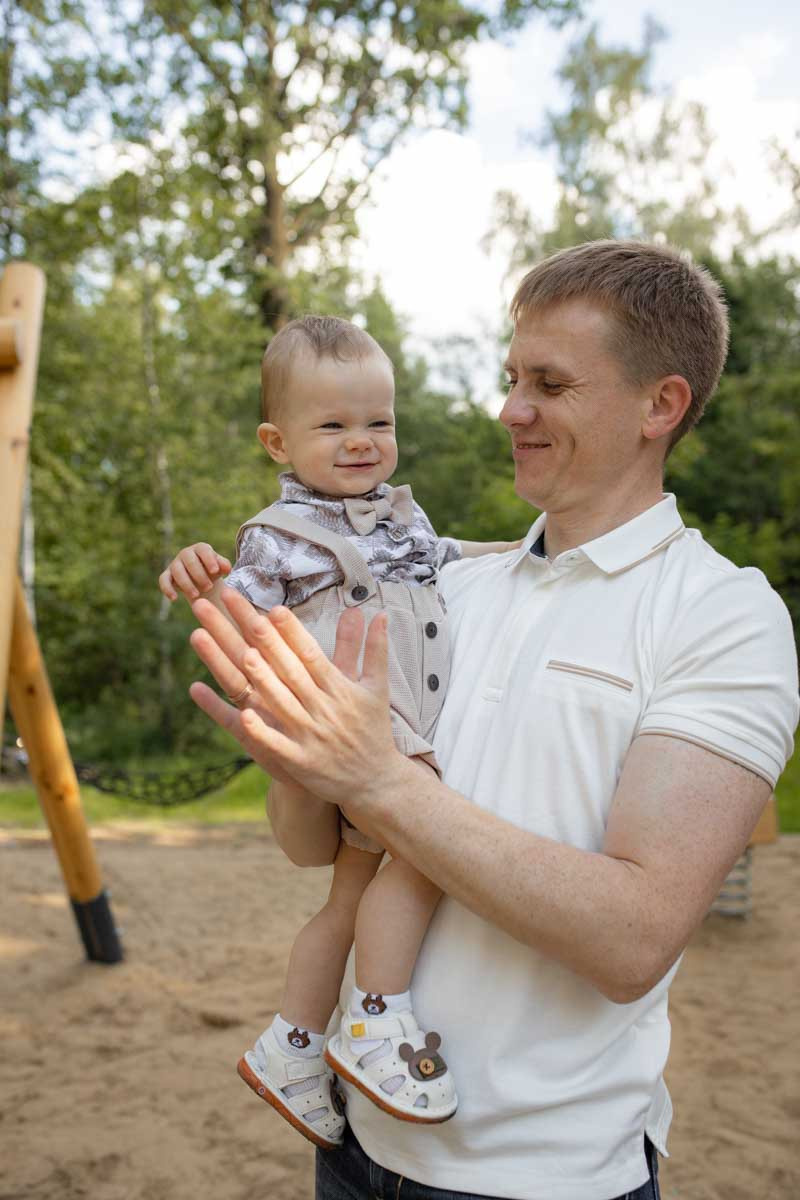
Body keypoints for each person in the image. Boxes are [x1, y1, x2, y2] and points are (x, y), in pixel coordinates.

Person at [182, 241, 799, 1200]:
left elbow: (636, 939)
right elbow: (311, 846)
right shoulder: (443, 589)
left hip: (541, 1179)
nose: (510, 410)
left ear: (660, 405)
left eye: (549, 385)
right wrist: (294, 755)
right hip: (353, 1152)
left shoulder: (723, 614)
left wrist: (378, 778)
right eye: (512, 379)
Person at [159, 316, 519, 1150]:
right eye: (333, 426)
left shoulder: (399, 517)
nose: (362, 442)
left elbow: (445, 558)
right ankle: (375, 1021)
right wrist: (195, 563)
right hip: (364, 732)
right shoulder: (278, 536)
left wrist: (523, 549)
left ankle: (291, 1041)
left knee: (349, 896)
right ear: (277, 442)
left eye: (379, 422)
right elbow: (233, 606)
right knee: (430, 855)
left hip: (385, 731)